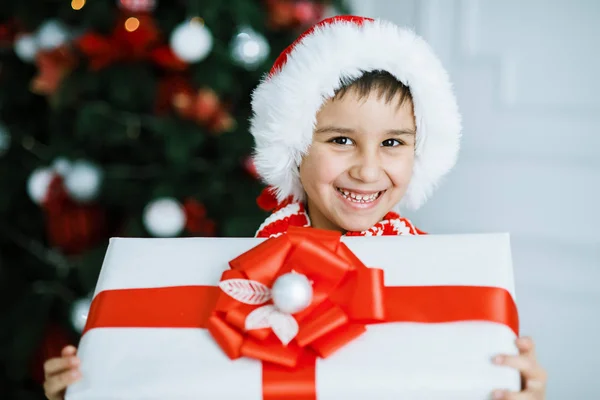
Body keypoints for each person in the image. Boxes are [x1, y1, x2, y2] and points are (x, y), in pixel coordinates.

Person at [43, 15, 547, 400]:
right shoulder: (244, 269)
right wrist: (96, 380)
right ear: (295, 148)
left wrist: (506, 382)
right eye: (342, 140)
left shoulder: (435, 276)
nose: (369, 171)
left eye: (393, 143)